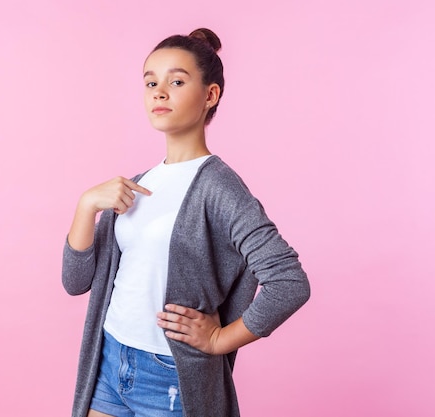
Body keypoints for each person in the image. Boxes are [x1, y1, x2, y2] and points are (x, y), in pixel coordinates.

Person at [62, 28, 310, 417]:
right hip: (109, 358)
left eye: (176, 81)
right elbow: (75, 282)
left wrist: (220, 339)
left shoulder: (219, 187)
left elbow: (290, 282)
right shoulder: (139, 184)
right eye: (150, 82)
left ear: (210, 95)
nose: (159, 92)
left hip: (168, 376)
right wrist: (85, 205)